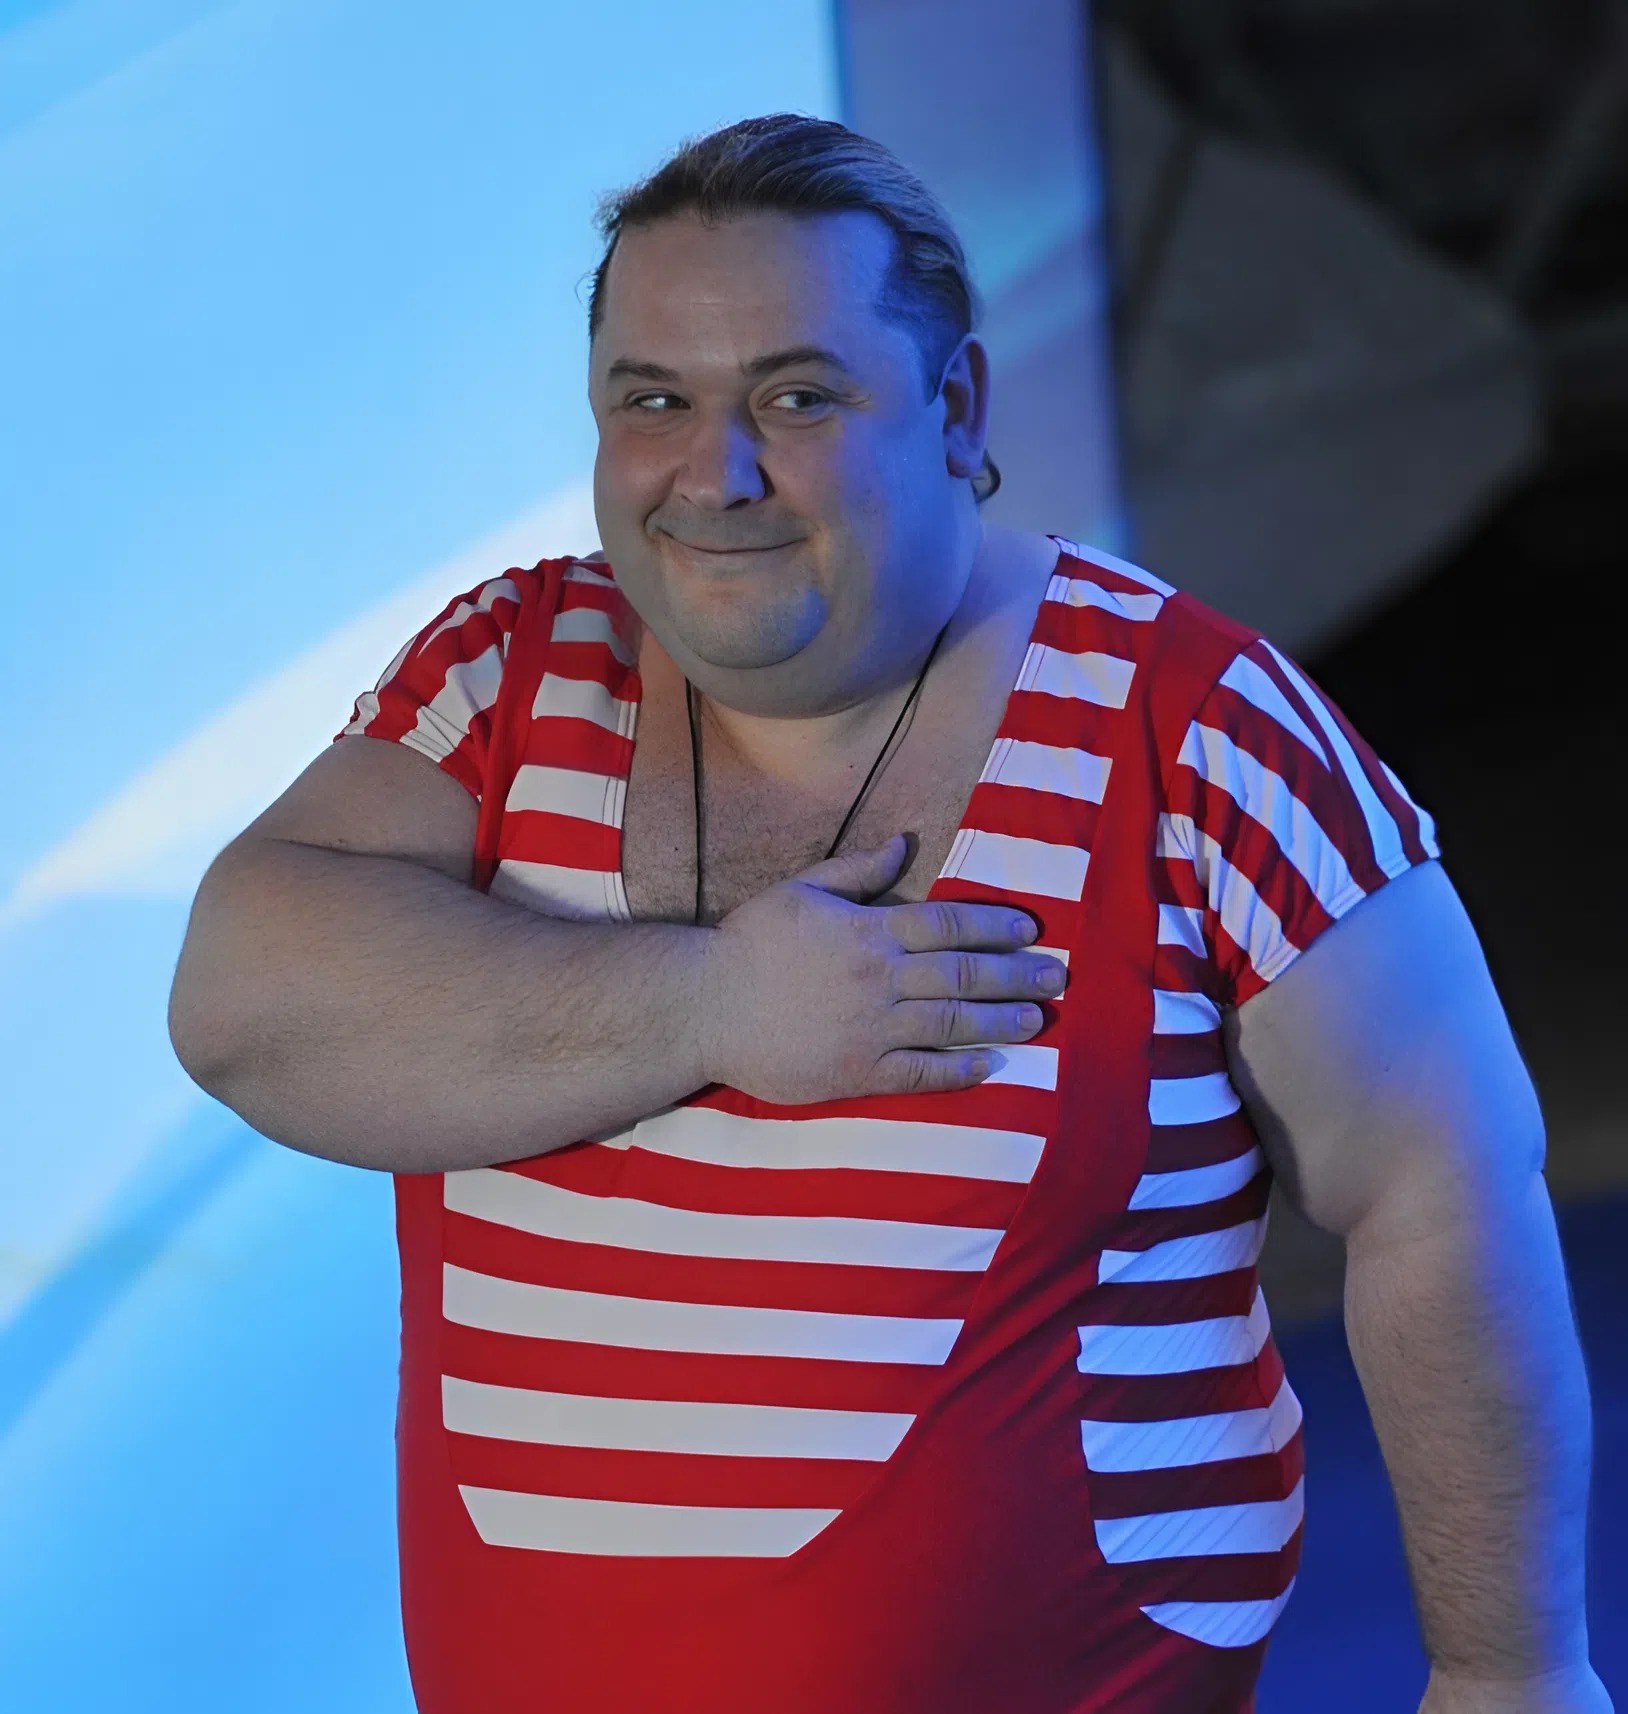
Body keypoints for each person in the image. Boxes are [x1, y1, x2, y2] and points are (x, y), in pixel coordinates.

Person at [167, 114, 1610, 1714]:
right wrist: (715, 1004)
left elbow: (1444, 1191)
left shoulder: (1191, 726)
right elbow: (239, 1008)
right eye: (654, 401)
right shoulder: (505, 672)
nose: (716, 473)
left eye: (798, 397)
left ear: (957, 407)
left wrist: (1512, 1672)